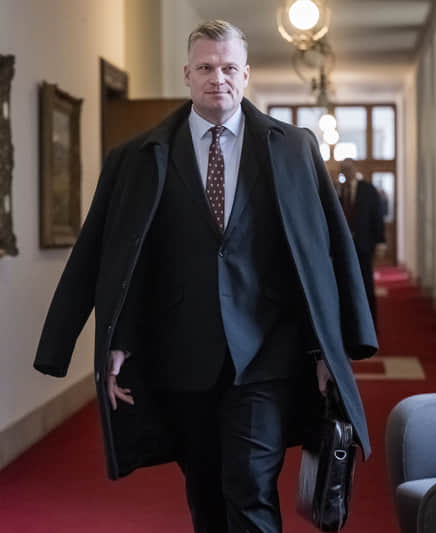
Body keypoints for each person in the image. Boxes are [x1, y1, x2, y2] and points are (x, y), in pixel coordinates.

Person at [34, 20, 376, 533]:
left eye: (229, 68)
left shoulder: (291, 148)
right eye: (206, 68)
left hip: (265, 354)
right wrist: (114, 340)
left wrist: (331, 349)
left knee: (251, 486)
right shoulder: (139, 157)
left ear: (246, 75)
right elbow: (113, 255)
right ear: (187, 75)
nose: (219, 78)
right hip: (182, 356)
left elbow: (327, 250)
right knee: (205, 491)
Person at [337, 158, 385, 328]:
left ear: (355, 169)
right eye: (343, 169)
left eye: (349, 168)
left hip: (363, 244)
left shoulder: (368, 190)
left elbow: (377, 216)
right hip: (342, 248)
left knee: (366, 284)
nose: (346, 172)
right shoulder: (337, 189)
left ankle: (369, 325)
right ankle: (349, 324)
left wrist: (380, 241)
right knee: (344, 285)